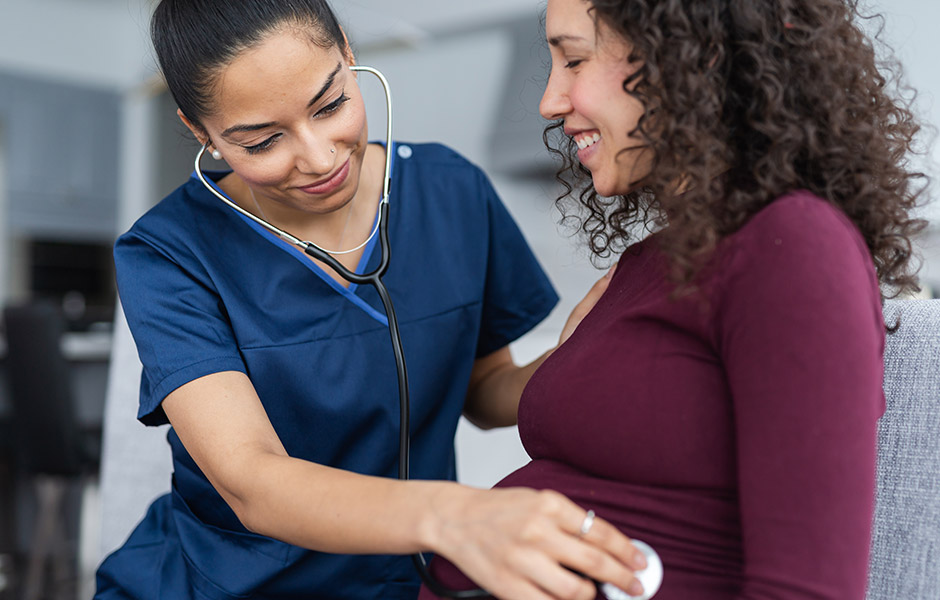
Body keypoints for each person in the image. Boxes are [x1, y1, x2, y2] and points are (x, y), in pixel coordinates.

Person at [94, 1, 650, 599]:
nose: (320, 157)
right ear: (201, 132)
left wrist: (586, 352)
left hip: (406, 584)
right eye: (261, 141)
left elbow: (486, 394)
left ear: (348, 56)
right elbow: (251, 481)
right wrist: (458, 516)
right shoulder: (169, 252)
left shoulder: (452, 192)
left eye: (331, 105)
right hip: (227, 585)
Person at [420, 0, 928, 598]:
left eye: (575, 60)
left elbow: (805, 589)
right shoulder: (651, 262)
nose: (550, 101)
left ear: (691, 55)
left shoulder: (793, 246)